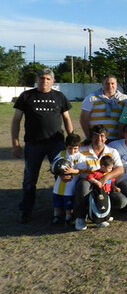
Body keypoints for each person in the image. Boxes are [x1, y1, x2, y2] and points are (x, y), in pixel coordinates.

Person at [11, 68, 73, 223]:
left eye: (47, 79)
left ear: (52, 81)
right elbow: (16, 120)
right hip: (34, 144)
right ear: (36, 80)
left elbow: (67, 119)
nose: (44, 81)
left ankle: (63, 210)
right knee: (30, 179)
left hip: (56, 144)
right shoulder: (26, 96)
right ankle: (26, 210)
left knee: (62, 176)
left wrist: (71, 139)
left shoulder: (59, 96)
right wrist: (15, 143)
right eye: (41, 78)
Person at [74, 125, 127, 231]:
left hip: (106, 184)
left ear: (106, 138)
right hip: (88, 182)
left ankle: (103, 215)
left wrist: (106, 177)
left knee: (122, 201)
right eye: (96, 136)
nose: (99, 139)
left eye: (102, 136)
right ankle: (79, 217)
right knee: (83, 184)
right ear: (90, 137)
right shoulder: (81, 150)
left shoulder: (112, 151)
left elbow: (120, 169)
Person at [80, 75, 127, 142]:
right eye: (107, 83)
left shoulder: (123, 98)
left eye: (112, 83)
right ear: (103, 85)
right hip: (97, 138)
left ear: (116, 85)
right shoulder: (91, 98)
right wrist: (89, 136)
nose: (110, 86)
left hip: (115, 139)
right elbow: (83, 119)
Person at [51, 133, 87, 225]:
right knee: (57, 199)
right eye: (70, 148)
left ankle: (68, 216)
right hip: (60, 182)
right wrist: (60, 174)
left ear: (79, 147)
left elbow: (82, 168)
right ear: (66, 146)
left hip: (71, 183)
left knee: (68, 201)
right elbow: (55, 164)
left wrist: (73, 171)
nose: (72, 151)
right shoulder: (62, 153)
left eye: (75, 148)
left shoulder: (80, 157)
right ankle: (56, 216)